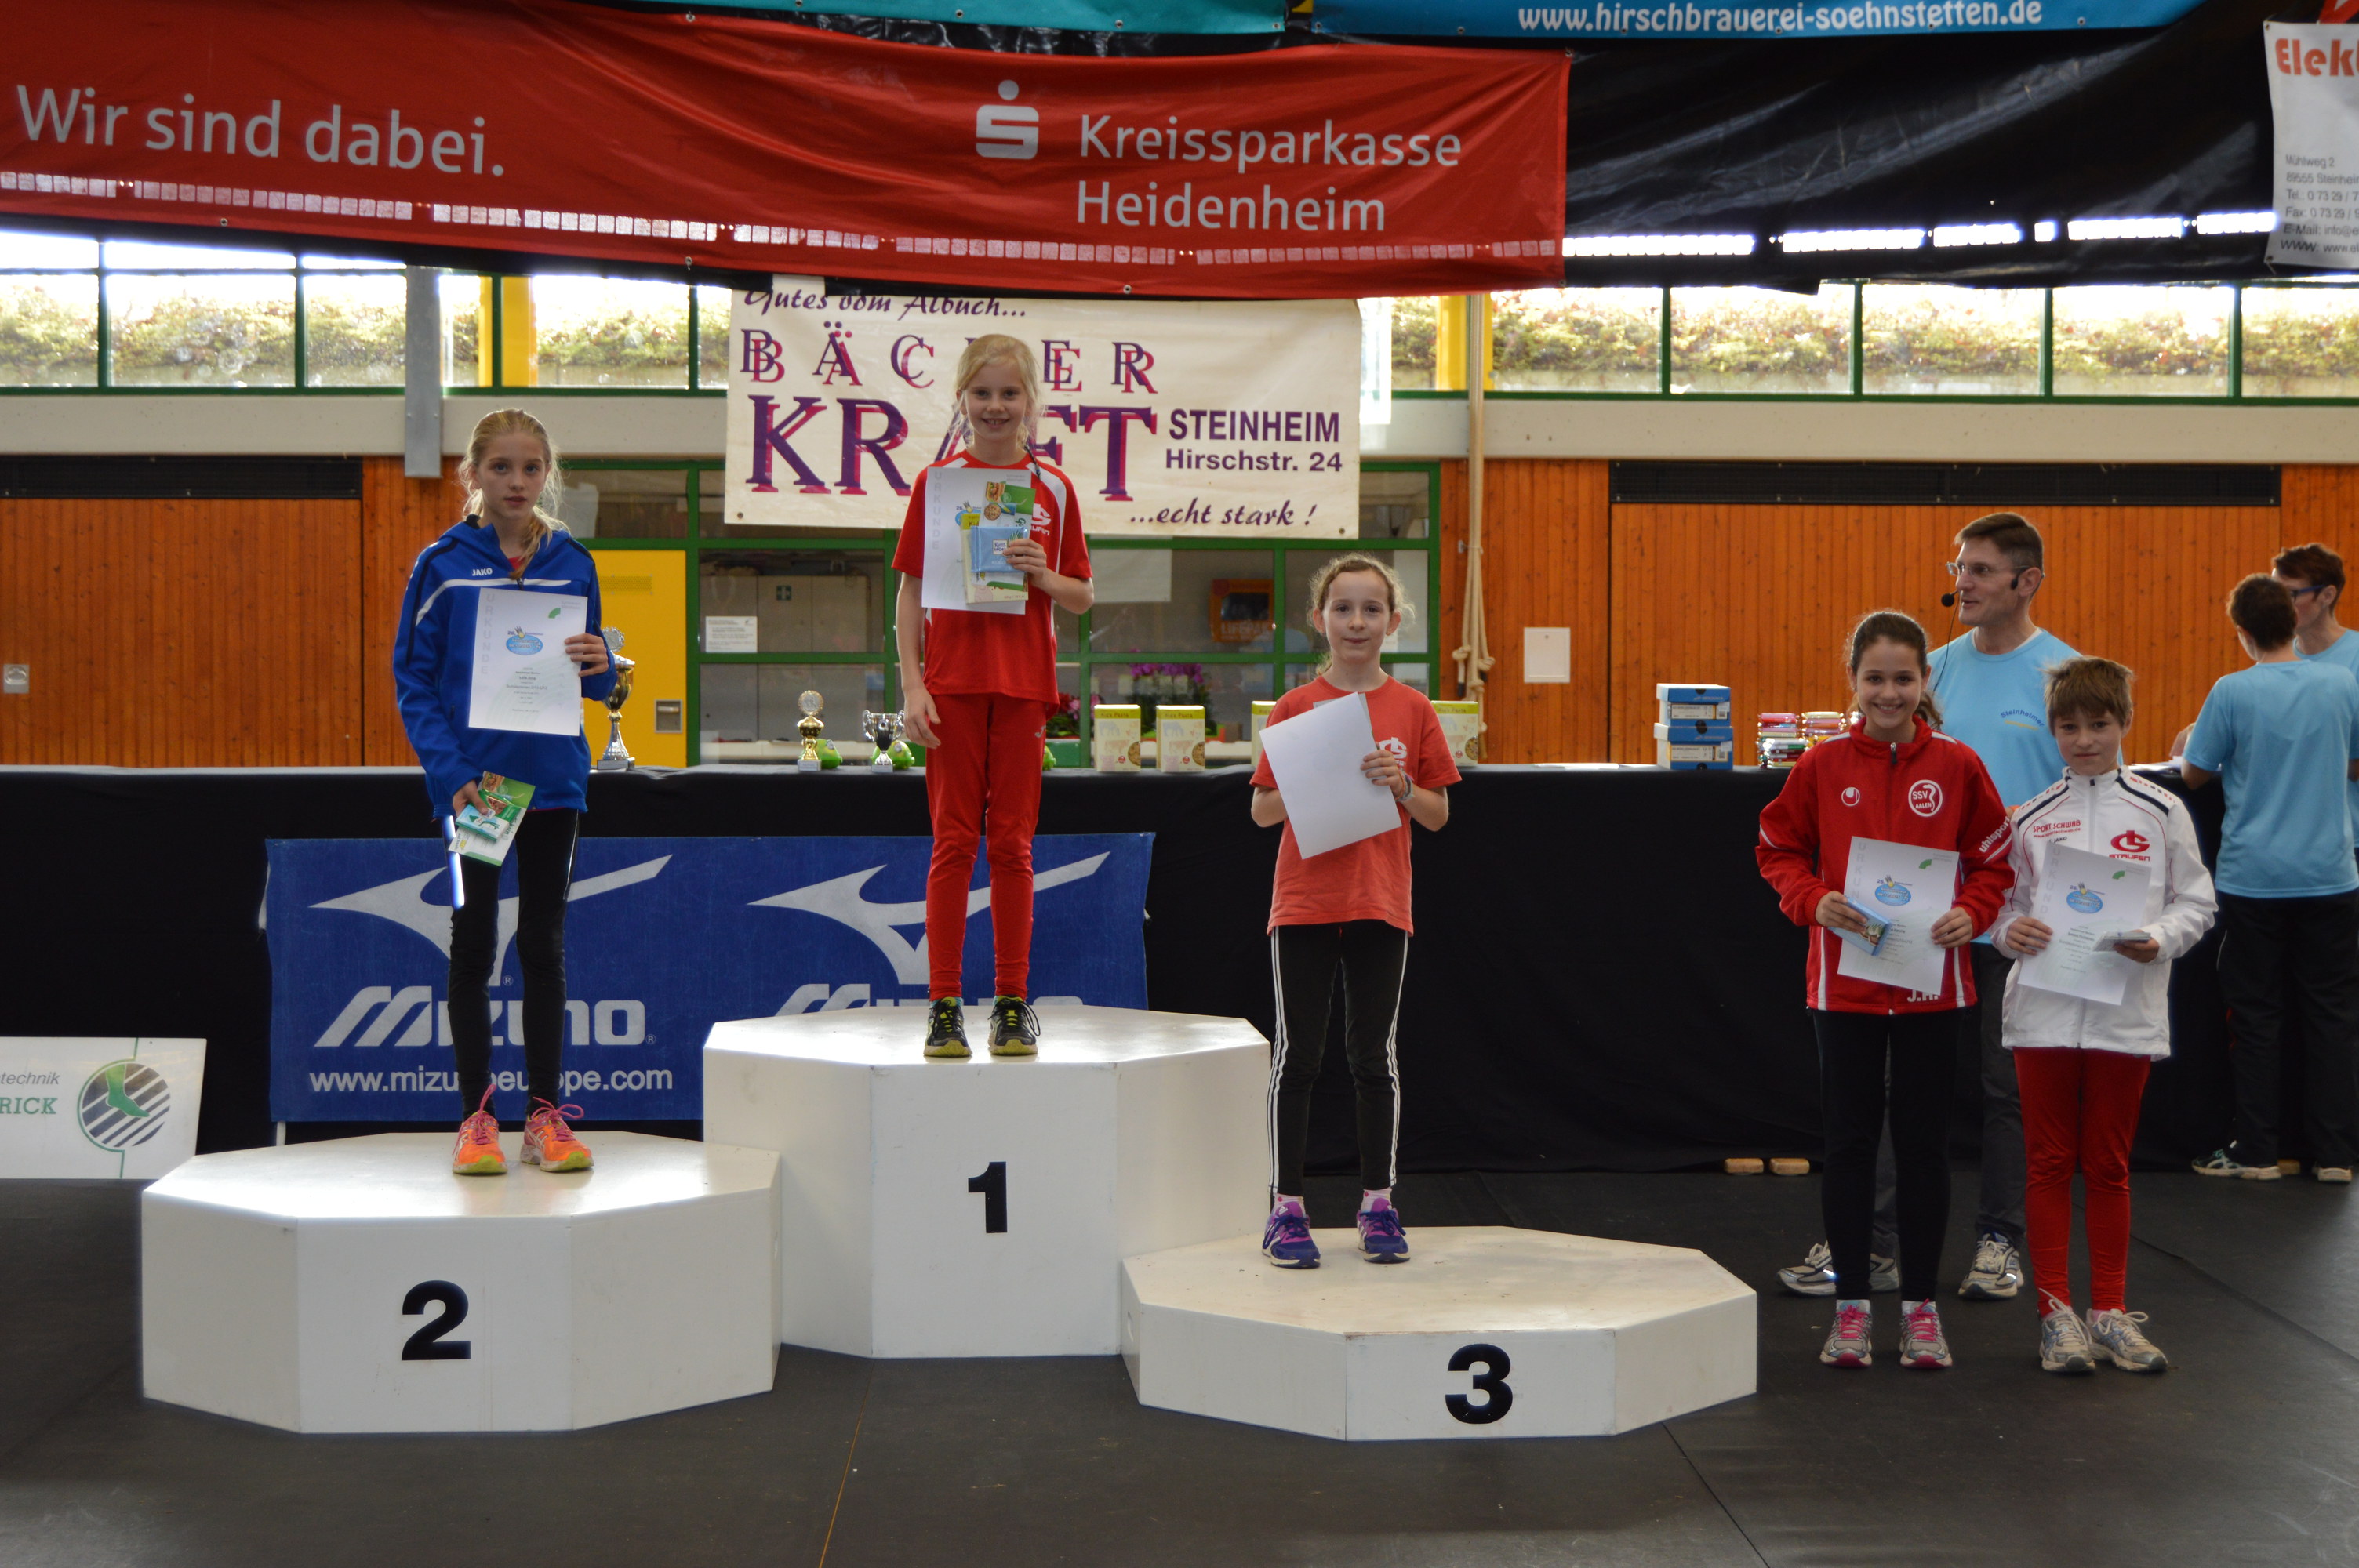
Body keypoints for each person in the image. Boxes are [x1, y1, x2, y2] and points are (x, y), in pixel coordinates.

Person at [1757, 611, 2014, 1369]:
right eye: (1875, 678)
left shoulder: (1959, 765)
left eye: (1904, 678)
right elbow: (1776, 848)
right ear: (1853, 681)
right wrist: (1812, 900)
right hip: (1845, 989)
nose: (1890, 693)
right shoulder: (1822, 765)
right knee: (1849, 1143)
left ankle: (1921, 1310)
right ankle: (1851, 1311)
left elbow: (1995, 861)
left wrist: (1974, 912)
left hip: (1935, 987)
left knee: (1925, 1146)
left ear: (1925, 680)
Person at [394, 408, 612, 1177]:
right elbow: (413, 679)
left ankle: (544, 1118)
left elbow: (594, 679)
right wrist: (452, 776)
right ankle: (476, 1119)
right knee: (475, 946)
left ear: (547, 474)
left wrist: (601, 664)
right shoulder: (443, 564)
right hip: (481, 791)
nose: (517, 482)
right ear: (472, 474)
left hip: (555, 786)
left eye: (530, 468)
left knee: (543, 948)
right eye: (501, 467)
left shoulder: (573, 561)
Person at [1993, 658, 2215, 1374]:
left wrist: (2159, 939)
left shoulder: (2161, 810)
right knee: (2048, 1162)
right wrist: (2010, 932)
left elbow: (2198, 901)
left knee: (2110, 1164)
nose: (2085, 739)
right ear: (2052, 730)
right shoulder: (2029, 818)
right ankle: (2055, 1315)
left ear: (2125, 724)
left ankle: (2110, 1312)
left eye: (2099, 724)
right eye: (2069, 726)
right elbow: (2001, 905)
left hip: (2125, 1011)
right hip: (2046, 1013)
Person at [1250, 556, 1458, 1269]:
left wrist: (1401, 785)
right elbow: (1261, 812)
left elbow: (1437, 815)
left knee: (1374, 1058)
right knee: (1298, 1058)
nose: (1357, 622)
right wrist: (1312, 776)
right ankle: (1286, 1209)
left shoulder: (1414, 709)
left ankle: (1378, 1205)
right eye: (1343, 608)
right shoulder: (1294, 708)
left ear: (1393, 622)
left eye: (1372, 610)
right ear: (1320, 619)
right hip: (1305, 900)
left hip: (1380, 900)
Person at [894, 335, 1093, 1059]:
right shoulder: (937, 483)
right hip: (951, 685)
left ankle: (1012, 1002)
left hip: (1023, 688)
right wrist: (913, 684)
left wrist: (1042, 574)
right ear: (962, 399)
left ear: (1032, 401)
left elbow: (1082, 596)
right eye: (983, 393)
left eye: (1010, 393)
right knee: (953, 844)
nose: (996, 406)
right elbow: (911, 590)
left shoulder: (1054, 490)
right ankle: (943, 1005)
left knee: (1012, 846)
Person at [2181, 575, 2359, 1181]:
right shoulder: (2341, 683)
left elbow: (2195, 774)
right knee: (2332, 1016)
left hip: (2254, 878)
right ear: (2293, 621)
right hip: (2331, 874)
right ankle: (2335, 1154)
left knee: (2256, 1016)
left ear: (2243, 633)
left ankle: (2257, 1151)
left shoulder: (2233, 690)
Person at [2277, 543, 2359, 862]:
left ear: (2327, 595)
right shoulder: (2275, 658)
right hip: (2287, 839)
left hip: (2347, 839)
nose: (2278, 606)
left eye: (2290, 594)